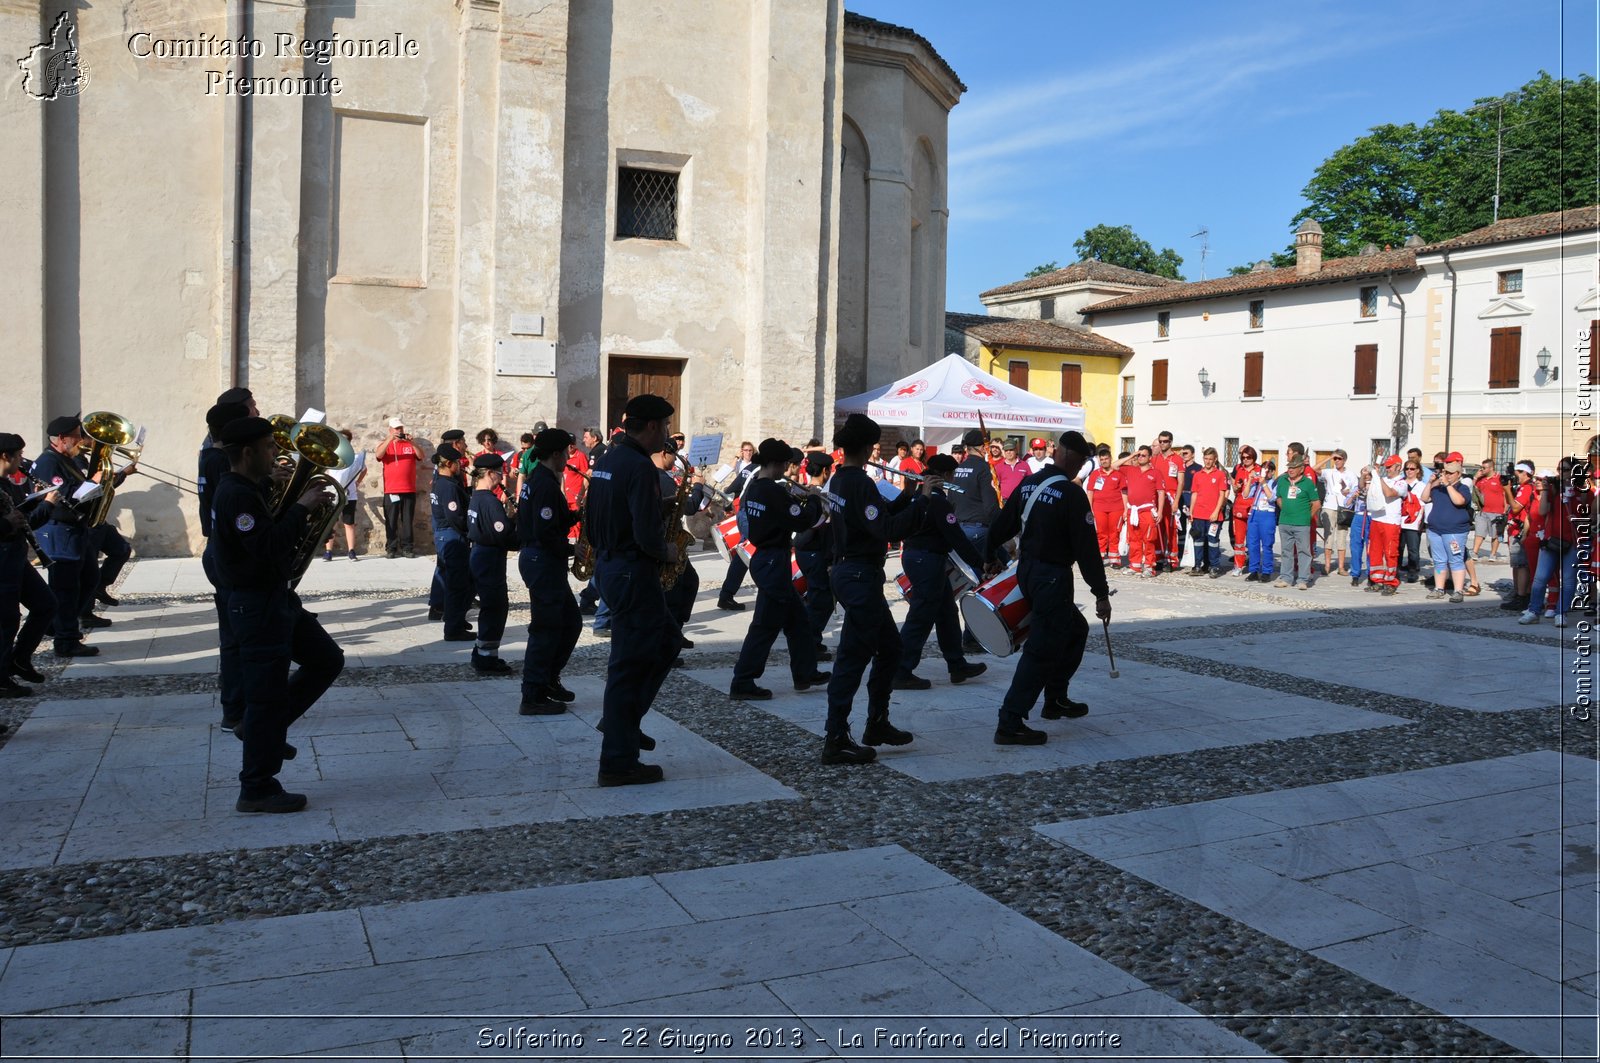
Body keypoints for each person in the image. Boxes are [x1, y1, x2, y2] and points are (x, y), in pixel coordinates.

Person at [210, 415, 344, 813]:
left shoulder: (247, 488)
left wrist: (281, 488)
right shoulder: (236, 495)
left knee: (327, 660)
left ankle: (259, 732)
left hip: (274, 599)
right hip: (257, 604)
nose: (276, 452)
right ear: (248, 452)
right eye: (270, 447)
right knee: (266, 698)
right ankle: (257, 787)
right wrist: (301, 507)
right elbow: (267, 546)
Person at [985, 431, 1111, 745]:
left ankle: (1055, 698)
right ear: (1072, 457)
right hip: (1053, 578)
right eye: (1082, 462)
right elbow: (1087, 549)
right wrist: (1101, 593)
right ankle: (1010, 721)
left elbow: (1002, 524)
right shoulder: (1071, 494)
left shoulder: (1029, 484)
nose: (1081, 468)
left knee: (1075, 630)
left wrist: (989, 556)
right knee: (1040, 650)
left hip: (1027, 572)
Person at [587, 394, 684, 786]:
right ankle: (617, 758)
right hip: (632, 569)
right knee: (629, 666)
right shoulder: (640, 467)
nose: (664, 435)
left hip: (611, 564)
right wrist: (669, 549)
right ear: (651, 427)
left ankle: (621, 725)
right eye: (662, 427)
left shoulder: (607, 460)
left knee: (666, 642)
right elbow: (646, 535)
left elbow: (593, 519)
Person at [822, 414, 930, 765]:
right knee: (853, 658)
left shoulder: (840, 479)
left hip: (852, 572)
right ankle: (836, 738)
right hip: (858, 575)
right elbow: (884, 529)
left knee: (891, 648)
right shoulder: (860, 483)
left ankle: (877, 723)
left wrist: (908, 495)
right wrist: (923, 503)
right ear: (869, 448)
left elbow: (874, 515)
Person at [727, 438, 830, 700]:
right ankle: (743, 681)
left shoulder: (755, 489)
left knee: (798, 622)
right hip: (773, 561)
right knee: (764, 626)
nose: (787, 468)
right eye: (785, 463)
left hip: (767, 559)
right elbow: (801, 520)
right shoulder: (773, 491)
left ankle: (805, 673)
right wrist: (815, 499)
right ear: (775, 463)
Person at [893, 452, 987, 689]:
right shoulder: (938, 500)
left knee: (946, 612)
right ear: (945, 475)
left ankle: (957, 665)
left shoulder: (918, 495)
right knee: (921, 617)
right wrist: (981, 562)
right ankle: (900, 670)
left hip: (920, 558)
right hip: (927, 561)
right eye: (952, 475)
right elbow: (957, 538)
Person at [517, 428, 582, 714]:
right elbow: (545, 532)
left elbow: (552, 520)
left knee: (570, 623)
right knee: (545, 630)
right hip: (542, 560)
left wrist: (578, 513)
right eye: (566, 452)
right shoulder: (544, 484)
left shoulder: (539, 480)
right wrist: (572, 550)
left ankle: (547, 679)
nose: (569, 457)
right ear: (556, 454)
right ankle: (532, 694)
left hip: (542, 560)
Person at [31, 416, 106, 658]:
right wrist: (94, 483)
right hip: (60, 531)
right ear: (62, 439)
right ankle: (65, 639)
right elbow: (65, 497)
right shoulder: (49, 462)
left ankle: (59, 623)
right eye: (77, 434)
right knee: (66, 587)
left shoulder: (65, 458)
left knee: (89, 577)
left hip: (74, 530)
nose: (82, 439)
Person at [198, 400, 252, 728]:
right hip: (226, 555)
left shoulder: (210, 454)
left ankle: (238, 704)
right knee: (234, 639)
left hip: (220, 551)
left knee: (234, 637)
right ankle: (235, 710)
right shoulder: (220, 461)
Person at [0, 434, 58, 700]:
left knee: (46, 604)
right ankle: (2, 679)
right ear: (5, 456)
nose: (22, 459)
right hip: (2, 563)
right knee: (6, 622)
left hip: (16, 559)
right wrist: (9, 523)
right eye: (19, 455)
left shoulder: (7, 484)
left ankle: (19, 659)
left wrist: (39, 501)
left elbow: (23, 518)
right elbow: (8, 522)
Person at [465, 454, 517, 673]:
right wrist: (516, 525)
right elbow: (502, 534)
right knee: (495, 606)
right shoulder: (489, 500)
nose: (502, 478)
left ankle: (483, 652)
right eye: (499, 473)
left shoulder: (476, 497)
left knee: (490, 605)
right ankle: (486, 657)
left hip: (479, 553)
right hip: (489, 556)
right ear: (488, 473)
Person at [1519, 459, 1586, 626]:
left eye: (1564, 469)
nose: (1560, 472)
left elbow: (1587, 511)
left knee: (1569, 580)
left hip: (1573, 540)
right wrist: (1548, 491)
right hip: (1552, 539)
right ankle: (1534, 611)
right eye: (1559, 469)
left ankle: (1560, 613)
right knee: (1540, 578)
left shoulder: (1581, 489)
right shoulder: (1554, 488)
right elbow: (1542, 511)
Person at [426, 450, 474, 641]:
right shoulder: (448, 486)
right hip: (452, 537)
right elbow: (455, 516)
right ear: (449, 464)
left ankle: (457, 619)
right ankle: (453, 627)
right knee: (458, 585)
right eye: (457, 462)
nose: (460, 465)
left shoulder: (440, 482)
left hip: (444, 536)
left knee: (462, 581)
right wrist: (469, 532)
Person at [794, 451, 836, 661]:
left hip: (806, 550)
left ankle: (811, 640)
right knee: (822, 599)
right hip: (813, 550)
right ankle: (809, 642)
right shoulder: (818, 496)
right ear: (826, 471)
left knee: (816, 597)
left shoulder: (803, 490)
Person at [1420, 456, 1472, 602]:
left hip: (1454, 531)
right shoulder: (1438, 488)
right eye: (1446, 473)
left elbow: (1459, 501)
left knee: (1455, 560)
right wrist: (1430, 483)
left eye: (1450, 473)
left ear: (1458, 474)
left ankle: (1458, 590)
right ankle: (1439, 588)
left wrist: (1448, 485)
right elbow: (1424, 498)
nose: (1447, 475)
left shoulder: (1463, 488)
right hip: (1435, 530)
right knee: (1438, 560)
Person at [377, 418, 421, 557]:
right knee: (391, 521)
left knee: (407, 520)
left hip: (409, 489)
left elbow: (421, 456)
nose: (399, 431)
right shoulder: (386, 444)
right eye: (396, 429)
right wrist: (389, 439)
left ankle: (407, 548)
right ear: (390, 430)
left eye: (400, 428)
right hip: (391, 490)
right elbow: (378, 455)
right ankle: (391, 548)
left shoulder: (409, 444)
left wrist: (411, 442)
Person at [1273, 458, 1320, 590]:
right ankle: (1286, 578)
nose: (1291, 470)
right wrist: (1287, 510)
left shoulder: (1308, 483)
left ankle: (1303, 579)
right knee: (1286, 551)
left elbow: (1316, 504)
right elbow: (1279, 499)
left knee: (1304, 551)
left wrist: (1306, 516)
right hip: (1285, 522)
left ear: (1301, 469)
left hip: (1302, 524)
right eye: (1289, 467)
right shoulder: (1282, 480)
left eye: (1294, 467)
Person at [1365, 454, 1408, 595]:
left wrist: (1378, 478)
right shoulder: (1381, 479)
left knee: (1390, 553)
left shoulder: (1402, 483)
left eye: (1390, 467)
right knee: (1375, 551)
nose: (1388, 470)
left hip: (1391, 521)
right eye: (1386, 467)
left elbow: (1389, 493)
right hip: (1377, 519)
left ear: (1398, 467)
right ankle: (1377, 580)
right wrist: (1371, 475)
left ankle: (1391, 582)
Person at [321, 428, 366, 562]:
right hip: (334, 493)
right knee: (331, 523)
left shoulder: (355, 457)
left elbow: (363, 469)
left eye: (346, 439)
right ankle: (328, 552)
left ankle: (351, 551)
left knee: (349, 523)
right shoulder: (331, 455)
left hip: (349, 494)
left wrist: (357, 482)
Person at [1118, 445, 1161, 577]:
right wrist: (1132, 455)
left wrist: (1159, 511)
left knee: (1148, 540)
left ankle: (1149, 567)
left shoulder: (1155, 473)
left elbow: (1161, 492)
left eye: (1143, 455)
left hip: (1147, 510)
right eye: (1139, 455)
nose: (1140, 458)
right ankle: (1135, 566)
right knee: (1134, 539)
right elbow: (1114, 465)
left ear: (1149, 457)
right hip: (1133, 511)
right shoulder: (1131, 470)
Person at [1186, 447, 1229, 577]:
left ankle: (1214, 566)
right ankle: (1198, 565)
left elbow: (1222, 495)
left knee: (1213, 540)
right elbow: (1194, 494)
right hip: (1199, 514)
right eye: (1206, 459)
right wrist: (1191, 512)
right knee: (1198, 540)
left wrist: (1216, 511)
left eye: (1210, 459)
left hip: (1213, 515)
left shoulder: (1220, 475)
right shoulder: (1198, 475)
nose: (1208, 461)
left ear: (1215, 459)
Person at [1501, 462, 1538, 611]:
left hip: (1520, 531)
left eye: (1520, 471)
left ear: (1528, 473)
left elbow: (1516, 507)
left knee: (1521, 565)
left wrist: (1507, 490)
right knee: (1517, 565)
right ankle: (1519, 594)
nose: (1516, 474)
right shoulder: (1523, 487)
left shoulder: (1527, 487)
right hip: (1515, 529)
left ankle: (1521, 597)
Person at [1317, 450, 1357, 576]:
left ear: (1344, 460)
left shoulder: (1351, 474)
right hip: (1329, 506)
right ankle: (1327, 565)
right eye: (1335, 459)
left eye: (1339, 458)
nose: (1337, 461)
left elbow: (1356, 489)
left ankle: (1341, 567)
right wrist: (1329, 457)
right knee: (1328, 537)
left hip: (1343, 507)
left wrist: (1349, 493)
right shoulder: (1329, 472)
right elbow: (1314, 469)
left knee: (1342, 536)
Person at [1149, 431, 1185, 572]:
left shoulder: (1177, 459)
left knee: (1170, 530)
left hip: (1170, 498)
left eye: (1165, 441)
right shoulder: (1155, 459)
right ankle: (1158, 559)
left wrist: (1176, 501)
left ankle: (1172, 560)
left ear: (1170, 442)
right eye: (1160, 441)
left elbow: (1181, 482)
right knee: (1157, 529)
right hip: (1158, 498)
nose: (1162, 444)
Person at [1086, 446, 1125, 570]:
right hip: (1099, 508)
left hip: (1116, 508)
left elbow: (1124, 492)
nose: (1104, 461)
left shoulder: (1118, 474)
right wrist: (1089, 507)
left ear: (1110, 459)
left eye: (1106, 459)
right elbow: (1090, 491)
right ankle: (1100, 557)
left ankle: (1115, 559)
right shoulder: (1095, 474)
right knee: (1100, 533)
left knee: (1114, 533)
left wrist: (1126, 509)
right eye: (1101, 459)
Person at [1242, 460, 1278, 581]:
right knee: (1252, 544)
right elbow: (1245, 494)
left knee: (1267, 544)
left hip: (1267, 514)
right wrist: (1249, 480)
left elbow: (1272, 498)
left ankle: (1267, 571)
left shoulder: (1274, 483)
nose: (1265, 473)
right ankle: (1254, 570)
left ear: (1272, 472)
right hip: (1255, 513)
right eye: (1263, 470)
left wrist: (1263, 484)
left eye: (1268, 470)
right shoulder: (1257, 484)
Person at [1472, 458, 1508, 564]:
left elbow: (1506, 494)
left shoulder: (1500, 478)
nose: (1482, 469)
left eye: (1484, 468)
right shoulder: (1481, 479)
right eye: (1481, 467)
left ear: (1491, 468)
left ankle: (1493, 554)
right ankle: (1475, 552)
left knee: (1495, 534)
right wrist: (1476, 477)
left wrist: (1505, 508)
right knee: (1479, 532)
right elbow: (1473, 488)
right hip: (1483, 511)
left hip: (1497, 511)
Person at [1397, 459, 1425, 583]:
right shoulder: (1400, 483)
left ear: (1417, 470)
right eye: (1407, 468)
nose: (1409, 471)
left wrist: (1421, 522)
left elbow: (1423, 503)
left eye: (1412, 469)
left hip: (1413, 521)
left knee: (1413, 549)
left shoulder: (1421, 485)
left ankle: (1412, 571)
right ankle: (1396, 570)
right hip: (1399, 519)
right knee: (1398, 547)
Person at [1175, 444, 1202, 565]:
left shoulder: (1198, 468)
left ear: (1193, 454)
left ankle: (1195, 551)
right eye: (1182, 453)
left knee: (1194, 524)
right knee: (1180, 526)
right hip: (1180, 497)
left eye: (1185, 453)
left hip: (1191, 496)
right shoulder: (1179, 467)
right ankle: (1181, 552)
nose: (1183, 456)